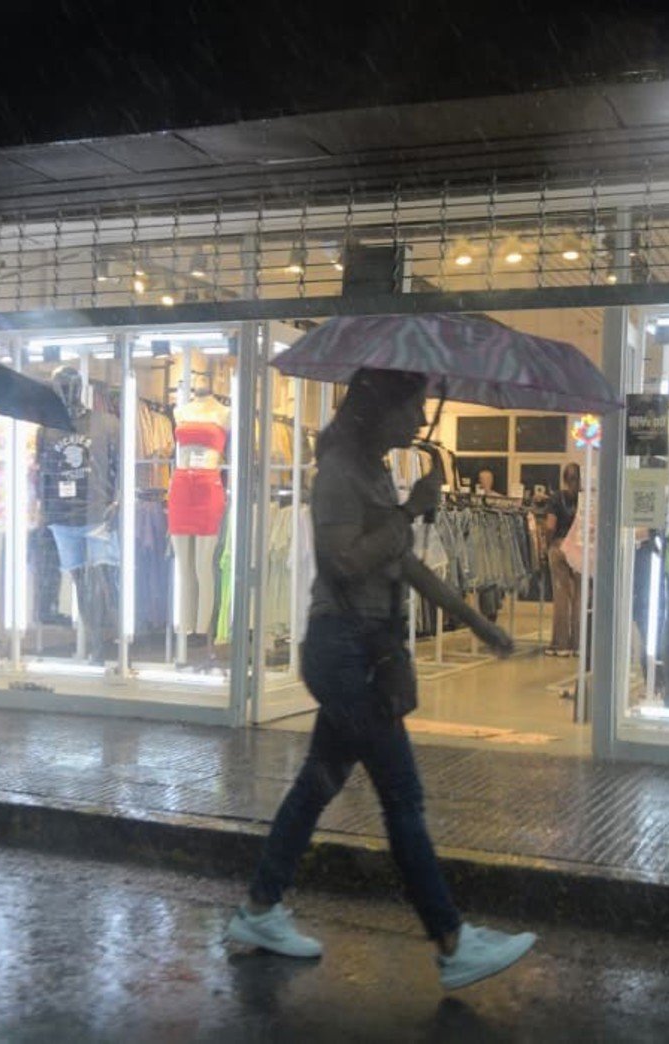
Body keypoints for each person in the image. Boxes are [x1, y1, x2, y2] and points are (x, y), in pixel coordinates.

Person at [227, 367, 537, 991]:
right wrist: (410, 512)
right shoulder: (339, 472)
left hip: (363, 648)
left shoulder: (371, 468)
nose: (420, 419)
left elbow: (404, 564)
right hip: (346, 652)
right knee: (402, 796)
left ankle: (259, 909)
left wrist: (478, 622)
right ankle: (451, 942)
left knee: (317, 785)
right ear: (379, 408)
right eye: (413, 407)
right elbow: (342, 561)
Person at [543, 462, 582, 656]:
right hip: (580, 548)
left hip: (560, 546)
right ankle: (578, 643)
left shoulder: (556, 498)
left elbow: (550, 525)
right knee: (580, 596)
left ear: (564, 479)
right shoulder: (585, 498)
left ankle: (561, 644)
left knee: (561, 595)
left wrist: (548, 543)